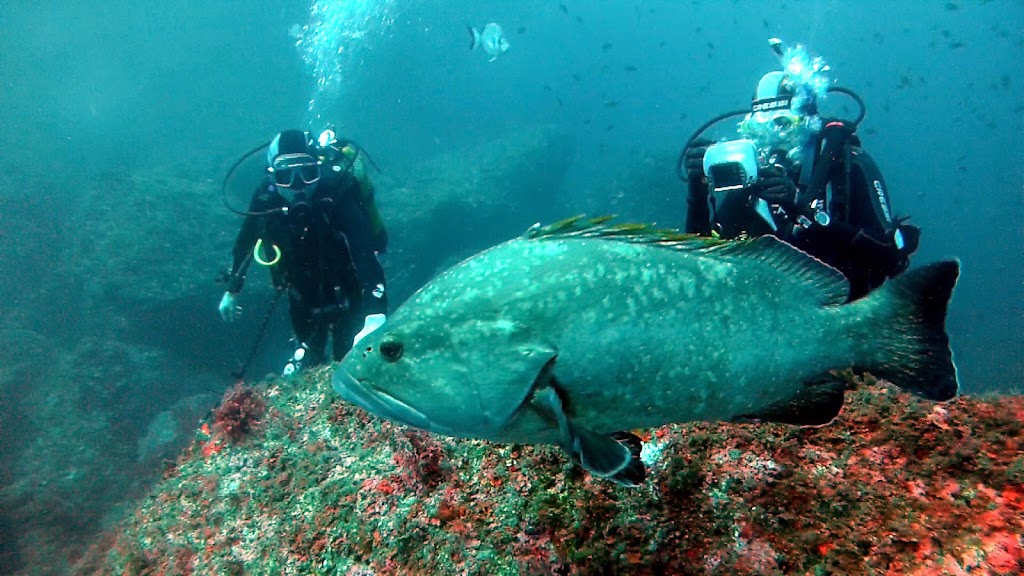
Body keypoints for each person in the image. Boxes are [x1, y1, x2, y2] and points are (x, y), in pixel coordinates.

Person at [681, 38, 919, 300]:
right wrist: (698, 193)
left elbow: (890, 257)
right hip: (778, 313)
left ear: (808, 124)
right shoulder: (752, 178)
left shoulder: (848, 166)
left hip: (846, 307)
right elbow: (704, 263)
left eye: (782, 125)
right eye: (758, 128)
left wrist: (801, 208)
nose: (771, 139)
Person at [218, 128, 389, 375]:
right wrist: (232, 288)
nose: (297, 186)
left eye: (307, 174)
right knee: (309, 355)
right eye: (285, 176)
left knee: (351, 361)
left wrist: (375, 312)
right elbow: (247, 238)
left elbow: (364, 251)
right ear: (272, 176)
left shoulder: (335, 192)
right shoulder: (266, 198)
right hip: (300, 291)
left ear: (317, 170)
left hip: (347, 287)